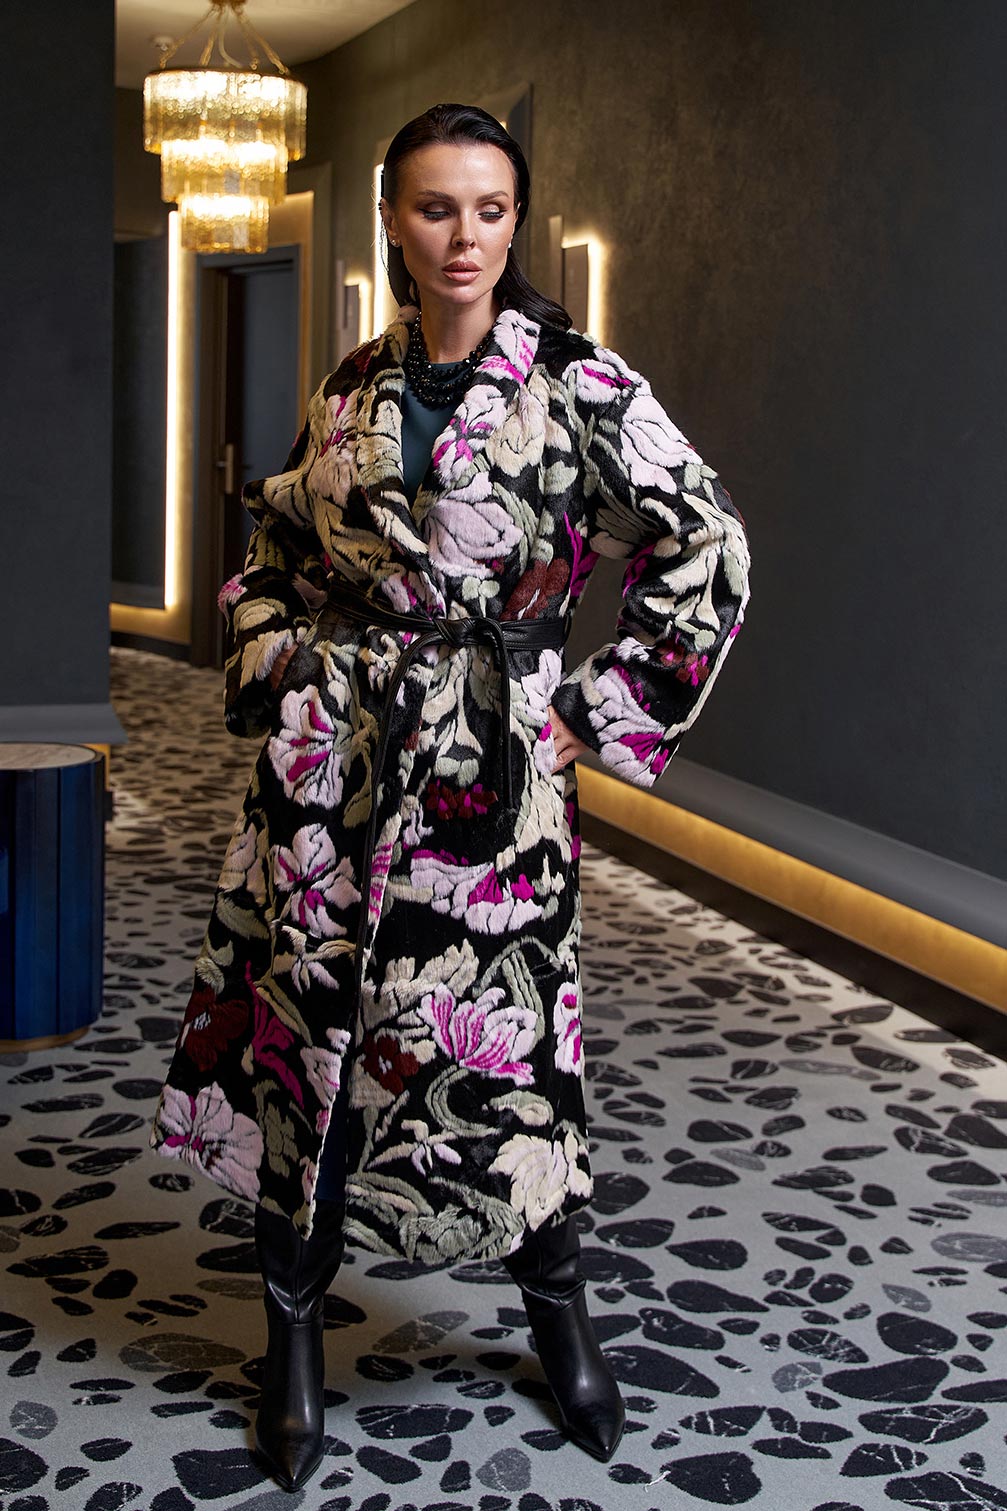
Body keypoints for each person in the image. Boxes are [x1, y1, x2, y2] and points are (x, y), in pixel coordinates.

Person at [147, 102, 751, 1492]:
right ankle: (292, 1334)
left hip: (491, 772)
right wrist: (279, 662)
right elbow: (280, 543)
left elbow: (706, 540)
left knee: (503, 1049)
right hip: (331, 773)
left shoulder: (580, 382)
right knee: (310, 1031)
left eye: (489, 209)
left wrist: (597, 707)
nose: (463, 237)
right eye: (434, 209)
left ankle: (558, 1313)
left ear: (515, 220)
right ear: (392, 223)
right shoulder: (354, 383)